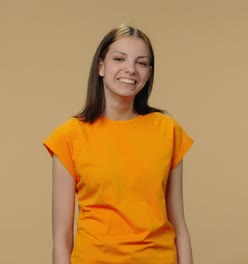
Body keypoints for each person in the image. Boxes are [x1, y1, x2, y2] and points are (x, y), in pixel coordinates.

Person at [43, 24, 194, 264]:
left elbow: (180, 226)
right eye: (119, 58)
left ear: (149, 73)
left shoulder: (168, 131)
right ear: (101, 66)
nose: (130, 69)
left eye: (141, 63)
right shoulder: (69, 136)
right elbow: (61, 239)